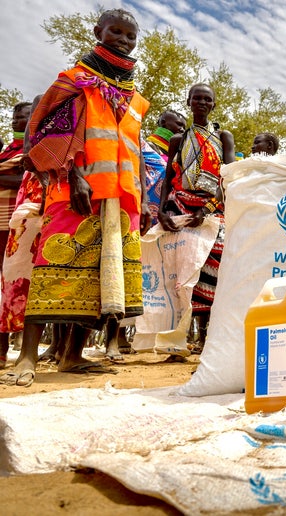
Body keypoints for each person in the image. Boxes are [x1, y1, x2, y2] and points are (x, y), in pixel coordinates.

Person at [0, 8, 149, 387]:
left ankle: (72, 355)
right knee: (53, 267)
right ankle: (29, 356)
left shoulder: (135, 97)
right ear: (98, 31)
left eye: (130, 36)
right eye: (115, 32)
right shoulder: (74, 82)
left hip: (123, 198)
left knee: (102, 279)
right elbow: (47, 132)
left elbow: (134, 150)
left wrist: (143, 200)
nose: (123, 40)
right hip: (76, 192)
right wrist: (73, 175)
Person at [159, 83, 235, 351]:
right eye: (197, 98)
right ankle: (176, 339)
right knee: (181, 273)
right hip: (180, 209)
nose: (201, 102)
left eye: (207, 99)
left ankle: (206, 340)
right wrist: (161, 209)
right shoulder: (177, 141)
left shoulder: (222, 137)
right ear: (188, 101)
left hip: (211, 211)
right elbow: (168, 179)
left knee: (212, 270)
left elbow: (228, 178)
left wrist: (207, 209)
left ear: (213, 104)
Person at [0, 101, 33, 367]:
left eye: (22, 116)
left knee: (10, 284)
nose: (15, 120)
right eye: (14, 116)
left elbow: (24, 179)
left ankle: (3, 350)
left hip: (16, 223)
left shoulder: (28, 150)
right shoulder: (6, 150)